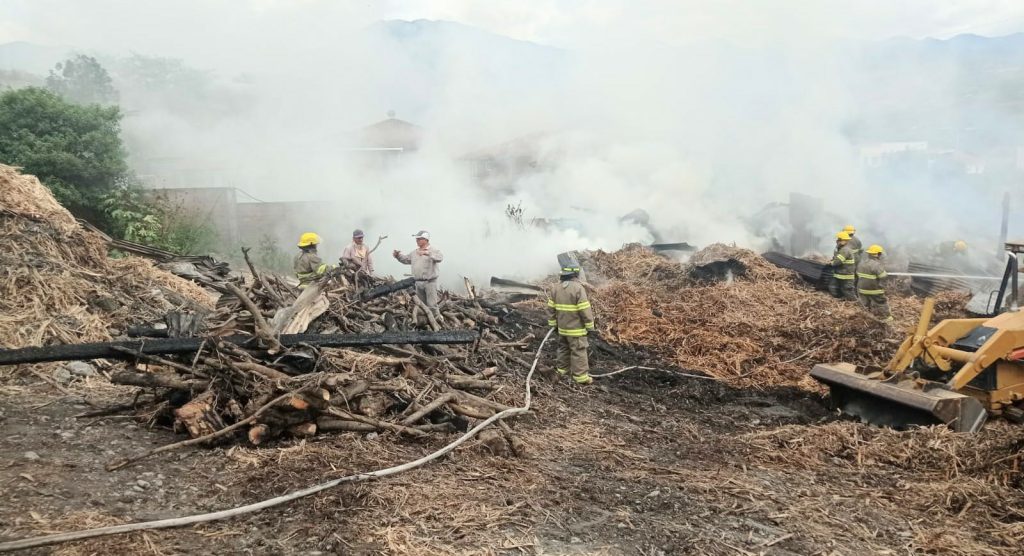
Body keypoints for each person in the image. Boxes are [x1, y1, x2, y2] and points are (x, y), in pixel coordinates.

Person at [546, 252, 595, 385]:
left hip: (562, 329)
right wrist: (590, 327)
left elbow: (551, 309)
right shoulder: (578, 289)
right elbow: (585, 310)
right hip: (577, 331)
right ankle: (581, 377)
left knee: (563, 349)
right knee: (578, 351)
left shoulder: (555, 288)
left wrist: (554, 325)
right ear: (575, 274)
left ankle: (562, 371)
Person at [393, 230, 443, 322]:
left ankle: (437, 323)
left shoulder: (433, 250)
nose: (417, 240)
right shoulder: (414, 252)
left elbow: (440, 258)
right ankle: (425, 324)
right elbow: (406, 260)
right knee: (421, 305)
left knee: (432, 305)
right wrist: (398, 256)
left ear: (425, 239)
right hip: (418, 282)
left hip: (430, 282)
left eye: (419, 239)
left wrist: (427, 253)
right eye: (417, 239)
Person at [857, 244, 893, 323]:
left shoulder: (862, 263)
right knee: (881, 302)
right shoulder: (876, 265)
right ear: (878, 254)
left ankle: (865, 318)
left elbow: (858, 274)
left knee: (865, 304)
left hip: (862, 289)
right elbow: (883, 276)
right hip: (874, 289)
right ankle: (887, 319)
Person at [829, 231, 857, 300]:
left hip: (846, 275)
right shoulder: (840, 248)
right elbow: (836, 257)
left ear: (844, 241)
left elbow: (837, 261)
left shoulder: (845, 250)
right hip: (840, 273)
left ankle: (855, 304)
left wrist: (831, 263)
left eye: (839, 239)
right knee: (833, 287)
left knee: (848, 291)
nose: (837, 241)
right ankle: (841, 299)